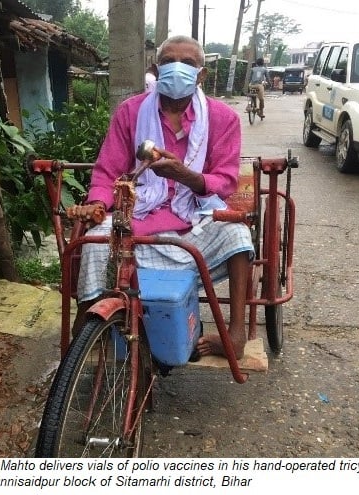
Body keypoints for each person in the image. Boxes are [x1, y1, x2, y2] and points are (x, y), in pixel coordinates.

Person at [67, 35, 254, 360]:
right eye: (169, 62)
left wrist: (185, 175)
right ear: (156, 68)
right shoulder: (130, 112)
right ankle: (87, 323)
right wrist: (96, 205)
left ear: (201, 75)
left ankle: (235, 335)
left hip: (193, 220)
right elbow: (107, 172)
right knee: (96, 239)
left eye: (188, 63)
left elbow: (225, 181)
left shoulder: (223, 118)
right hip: (138, 216)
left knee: (238, 234)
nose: (177, 69)